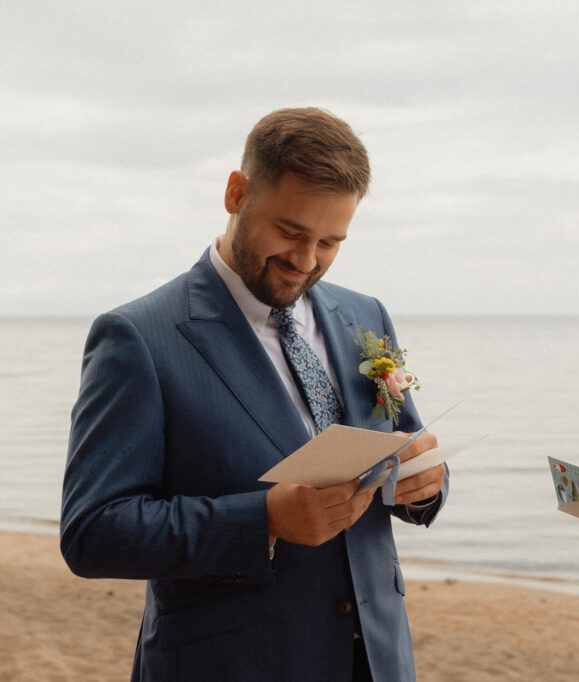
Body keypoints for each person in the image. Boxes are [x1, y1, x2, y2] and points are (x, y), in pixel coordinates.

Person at [60, 107, 448, 681]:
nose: (306, 261)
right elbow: (93, 532)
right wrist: (263, 520)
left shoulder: (365, 316)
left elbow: (399, 444)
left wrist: (423, 484)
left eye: (330, 242)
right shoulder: (138, 337)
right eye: (290, 232)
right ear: (236, 193)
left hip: (376, 660)